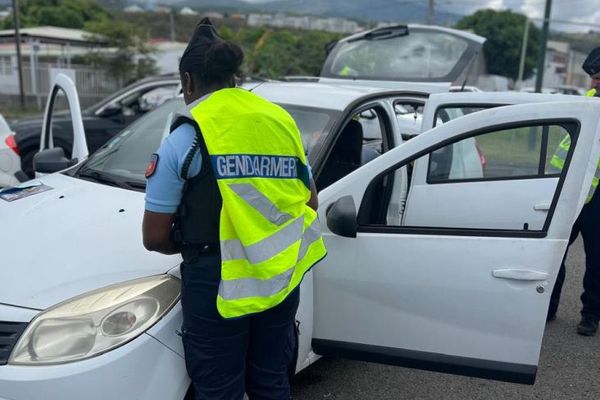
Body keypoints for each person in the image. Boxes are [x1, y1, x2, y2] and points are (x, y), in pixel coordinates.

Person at [142, 18, 327, 399]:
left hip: (216, 283)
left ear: (188, 81)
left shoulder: (188, 135)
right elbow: (310, 200)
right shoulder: (280, 121)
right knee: (271, 383)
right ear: (234, 78)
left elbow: (155, 237)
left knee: (219, 390)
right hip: (280, 277)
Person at [547, 47, 600, 336]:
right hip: (573, 189)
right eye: (593, 77)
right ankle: (549, 306)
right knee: (555, 251)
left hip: (598, 198)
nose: (594, 83)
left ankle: (590, 315)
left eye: (599, 78)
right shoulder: (589, 101)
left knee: (597, 262)